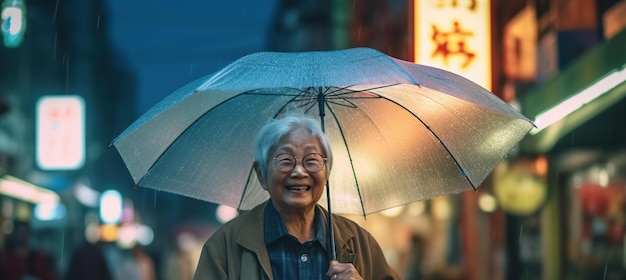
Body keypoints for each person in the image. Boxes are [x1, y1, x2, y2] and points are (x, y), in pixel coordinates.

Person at [193, 114, 400, 280]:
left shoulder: (360, 243)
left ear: (327, 172)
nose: (299, 171)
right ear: (261, 174)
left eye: (311, 160)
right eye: (285, 160)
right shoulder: (225, 247)